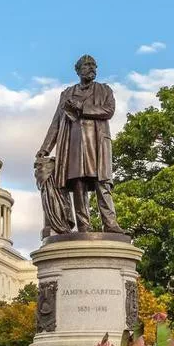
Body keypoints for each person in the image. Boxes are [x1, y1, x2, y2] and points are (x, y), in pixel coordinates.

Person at [36, 55, 125, 234]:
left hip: (97, 143)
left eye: (94, 65)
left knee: (103, 184)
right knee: (78, 185)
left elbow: (109, 110)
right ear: (78, 70)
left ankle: (110, 223)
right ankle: (84, 226)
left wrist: (81, 108)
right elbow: (56, 122)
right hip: (73, 144)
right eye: (87, 65)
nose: (92, 68)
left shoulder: (104, 90)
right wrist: (45, 148)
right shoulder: (67, 93)